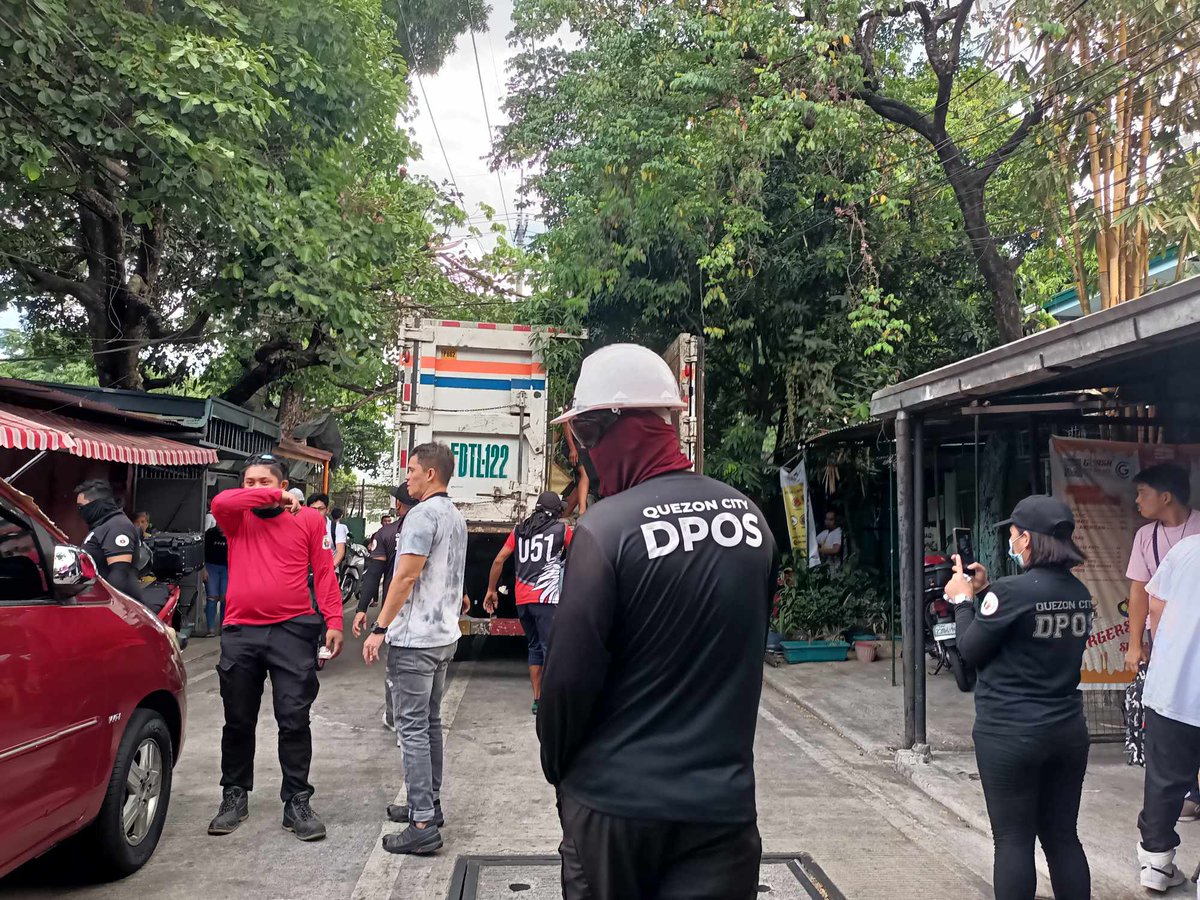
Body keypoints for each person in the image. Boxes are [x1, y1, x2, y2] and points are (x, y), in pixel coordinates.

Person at [540, 344, 777, 900]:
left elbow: (567, 684)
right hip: (722, 809)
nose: (585, 459)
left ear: (603, 431)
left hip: (615, 806)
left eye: (582, 440)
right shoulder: (752, 520)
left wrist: (560, 775)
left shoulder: (608, 529)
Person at [944, 495, 1093, 900]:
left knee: (1012, 840)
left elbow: (971, 651)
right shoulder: (1078, 592)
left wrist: (962, 601)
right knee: (1063, 838)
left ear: (1026, 540)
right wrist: (987, 591)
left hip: (1009, 733)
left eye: (1013, 535)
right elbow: (1027, 626)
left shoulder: (1011, 593)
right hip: (1066, 730)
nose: (1012, 542)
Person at [206, 454, 344, 842]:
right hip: (241, 630)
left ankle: (296, 800)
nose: (254, 488)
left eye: (264, 481)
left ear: (284, 486)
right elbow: (221, 503)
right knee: (237, 719)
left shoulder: (310, 520)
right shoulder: (237, 519)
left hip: (293, 630)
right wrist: (265, 498)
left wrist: (334, 620)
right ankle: (234, 795)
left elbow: (325, 571)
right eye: (248, 482)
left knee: (294, 719)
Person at [362, 443, 467, 857]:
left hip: (416, 640)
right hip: (444, 636)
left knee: (412, 730)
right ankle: (429, 804)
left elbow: (404, 578)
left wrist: (379, 627)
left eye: (411, 470)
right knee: (429, 723)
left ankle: (422, 821)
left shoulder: (422, 515)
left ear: (430, 474)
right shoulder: (455, 516)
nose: (407, 478)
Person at [1124, 463, 1200, 820]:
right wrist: (1135, 643)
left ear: (1166, 496)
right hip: (1165, 642)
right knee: (1170, 713)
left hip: (1195, 639)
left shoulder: (1198, 529)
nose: (1136, 500)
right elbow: (1139, 591)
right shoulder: (1145, 537)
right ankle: (1183, 790)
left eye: (1143, 493)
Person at [1134, 532, 1200, 892]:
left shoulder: (1187, 550)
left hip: (1175, 690)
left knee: (1165, 781)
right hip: (1175, 691)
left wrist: (1172, 655)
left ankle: (1157, 865)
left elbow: (1155, 607)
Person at [484, 491, 573, 714]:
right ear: (556, 511)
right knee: (551, 648)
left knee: (534, 647)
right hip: (547, 599)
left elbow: (498, 560)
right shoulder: (562, 530)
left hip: (522, 601)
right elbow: (580, 553)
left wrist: (491, 590)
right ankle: (553, 701)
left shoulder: (519, 530)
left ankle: (538, 699)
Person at [352, 484, 417, 732]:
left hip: (395, 607)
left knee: (396, 666)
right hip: (428, 609)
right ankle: (420, 719)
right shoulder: (434, 528)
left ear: (399, 505)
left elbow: (373, 574)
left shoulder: (386, 533)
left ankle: (394, 716)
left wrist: (362, 608)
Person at [75, 479, 144, 602]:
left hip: (117, 608)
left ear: (97, 504)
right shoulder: (102, 527)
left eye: (82, 507)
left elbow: (119, 573)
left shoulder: (118, 526)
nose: (80, 512)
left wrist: (109, 603)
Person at [307, 494, 349, 570]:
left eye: (320, 509)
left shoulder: (337, 528)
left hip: (329, 570)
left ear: (327, 510)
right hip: (307, 571)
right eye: (313, 509)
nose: (316, 512)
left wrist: (330, 569)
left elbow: (340, 552)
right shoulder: (304, 527)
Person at [202, 515, 229, 637]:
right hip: (211, 567)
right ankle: (210, 629)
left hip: (227, 568)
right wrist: (203, 569)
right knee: (211, 598)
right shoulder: (210, 534)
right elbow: (201, 552)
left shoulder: (232, 534)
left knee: (225, 599)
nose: (220, 526)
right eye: (218, 522)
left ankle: (224, 627)